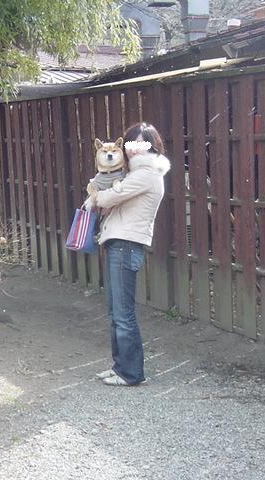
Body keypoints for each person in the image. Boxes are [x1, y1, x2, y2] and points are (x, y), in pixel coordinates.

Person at [92, 122, 171, 386]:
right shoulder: (135, 173)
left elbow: (105, 199)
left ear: (152, 145)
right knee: (115, 312)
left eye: (140, 143)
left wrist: (100, 195)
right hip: (120, 243)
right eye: (130, 144)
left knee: (123, 313)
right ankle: (120, 367)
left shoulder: (146, 173)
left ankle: (131, 374)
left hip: (126, 245)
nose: (134, 149)